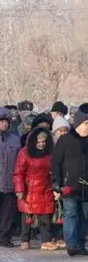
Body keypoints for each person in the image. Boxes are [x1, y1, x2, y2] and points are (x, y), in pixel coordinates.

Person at [51, 111, 88, 256]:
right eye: (86, 123)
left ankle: (80, 244)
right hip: (69, 185)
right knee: (71, 214)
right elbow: (56, 163)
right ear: (78, 125)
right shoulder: (65, 140)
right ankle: (71, 244)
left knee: (84, 217)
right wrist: (56, 185)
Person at [13, 128, 58, 250]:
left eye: (43, 141)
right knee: (27, 215)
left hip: (46, 187)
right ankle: (25, 240)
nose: (41, 144)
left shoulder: (50, 152)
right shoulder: (24, 153)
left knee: (45, 214)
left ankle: (46, 241)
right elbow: (18, 173)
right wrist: (19, 189)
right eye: (39, 142)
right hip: (29, 188)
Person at [0, 107, 21, 247]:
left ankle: (4, 236)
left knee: (8, 212)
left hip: (10, 181)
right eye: (1, 121)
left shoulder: (15, 138)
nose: (4, 124)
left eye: (6, 121)